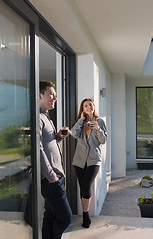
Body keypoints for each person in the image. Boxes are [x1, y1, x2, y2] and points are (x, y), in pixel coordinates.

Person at [39, 81, 72, 239]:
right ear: (40, 95)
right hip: (51, 179)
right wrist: (51, 176)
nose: (55, 97)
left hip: (56, 176)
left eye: (55, 95)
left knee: (50, 216)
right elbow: (37, 149)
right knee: (65, 218)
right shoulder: (38, 118)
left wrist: (59, 136)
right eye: (51, 94)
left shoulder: (46, 117)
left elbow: (47, 144)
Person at [70, 98, 107, 228]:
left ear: (94, 106)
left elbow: (103, 140)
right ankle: (86, 214)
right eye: (85, 106)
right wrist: (80, 120)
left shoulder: (100, 121)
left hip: (93, 159)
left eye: (90, 105)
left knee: (86, 187)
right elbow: (74, 134)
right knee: (83, 189)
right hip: (79, 160)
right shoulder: (80, 122)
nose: (88, 107)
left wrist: (97, 128)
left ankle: (85, 214)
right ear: (83, 109)